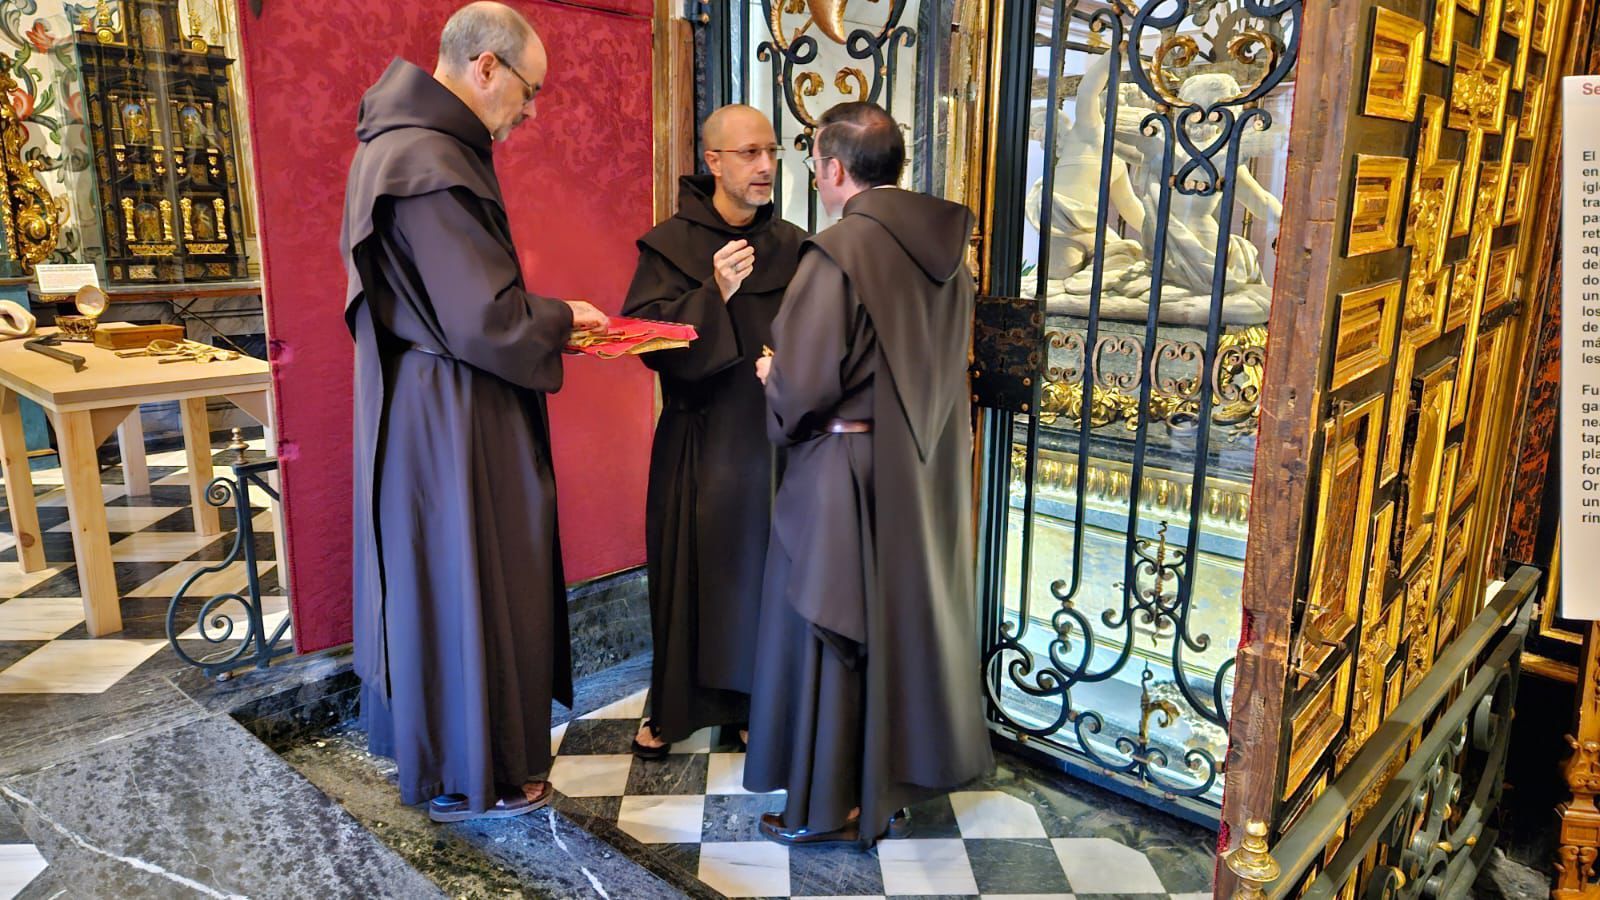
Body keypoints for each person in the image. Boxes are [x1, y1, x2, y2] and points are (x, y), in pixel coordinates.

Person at [339, 2, 608, 823]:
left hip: (430, 397)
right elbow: (484, 320)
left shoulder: (408, 146)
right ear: (485, 66)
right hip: (454, 410)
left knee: (448, 576)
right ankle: (480, 766)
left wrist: (548, 316)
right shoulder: (428, 159)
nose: (530, 111)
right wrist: (565, 318)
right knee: (477, 576)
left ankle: (465, 754)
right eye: (529, 90)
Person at [745, 101, 993, 845]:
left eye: (814, 164)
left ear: (833, 168)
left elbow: (807, 382)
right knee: (888, 628)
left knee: (831, 635)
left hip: (844, 469)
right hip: (918, 470)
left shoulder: (839, 250)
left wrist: (772, 378)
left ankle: (829, 807)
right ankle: (885, 785)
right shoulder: (950, 250)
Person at [620, 106, 805, 758]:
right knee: (686, 578)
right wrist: (714, 293)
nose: (764, 167)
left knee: (760, 579)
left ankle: (753, 703)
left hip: (769, 443)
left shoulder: (794, 244)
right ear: (714, 161)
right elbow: (643, 338)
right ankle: (673, 707)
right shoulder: (670, 243)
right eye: (749, 154)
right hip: (696, 441)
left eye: (771, 153)